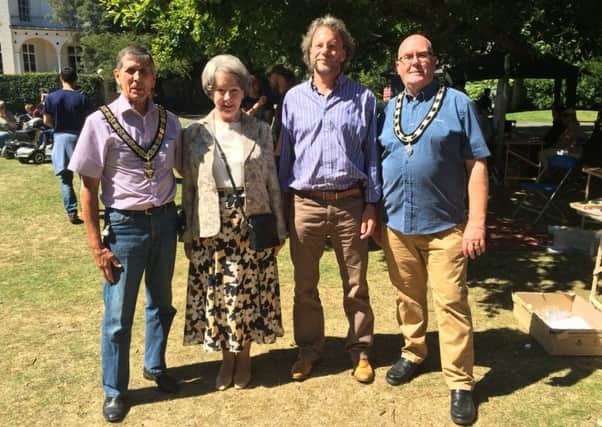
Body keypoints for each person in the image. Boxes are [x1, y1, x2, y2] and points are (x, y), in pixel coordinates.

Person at [378, 34, 490, 425]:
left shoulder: (458, 103)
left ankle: (460, 382)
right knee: (407, 298)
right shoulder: (388, 109)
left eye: (422, 55)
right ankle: (413, 352)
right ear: (397, 66)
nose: (415, 62)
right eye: (407, 57)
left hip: (446, 228)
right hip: (397, 227)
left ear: (434, 61)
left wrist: (476, 222)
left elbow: (477, 164)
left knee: (451, 303)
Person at [68, 45, 182, 423]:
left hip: (165, 223)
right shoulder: (99, 123)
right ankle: (116, 390)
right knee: (118, 316)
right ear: (117, 75)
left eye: (145, 71)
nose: (138, 78)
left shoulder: (170, 121)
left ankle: (155, 364)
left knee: (162, 304)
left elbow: (191, 165)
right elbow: (87, 188)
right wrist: (96, 246)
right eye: (130, 70)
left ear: (154, 78)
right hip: (124, 228)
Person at [279, 15, 381, 384]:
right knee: (305, 285)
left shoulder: (364, 98)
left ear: (344, 53)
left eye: (333, 45)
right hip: (304, 203)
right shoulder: (292, 100)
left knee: (356, 284)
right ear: (309, 52)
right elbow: (285, 158)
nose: (326, 50)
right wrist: (282, 207)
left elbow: (372, 155)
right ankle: (308, 350)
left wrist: (372, 203)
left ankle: (361, 350)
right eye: (319, 44)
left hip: (350, 204)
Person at [181, 54, 286, 391]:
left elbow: (272, 180)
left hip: (252, 222)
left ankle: (245, 360)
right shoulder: (195, 133)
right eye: (220, 90)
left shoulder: (259, 129)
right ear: (211, 92)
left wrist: (279, 228)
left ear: (244, 92)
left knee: (248, 293)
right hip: (212, 226)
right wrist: (187, 231)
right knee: (220, 296)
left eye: (234, 90)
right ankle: (226, 360)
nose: (227, 97)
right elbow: (190, 187)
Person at [43, 66, 90, 224]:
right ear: (75, 79)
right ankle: (88, 209)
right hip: (80, 138)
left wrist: (57, 127)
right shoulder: (82, 98)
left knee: (65, 179)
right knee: (86, 178)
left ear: (61, 79)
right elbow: (88, 122)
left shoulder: (51, 97)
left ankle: (72, 212)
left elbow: (46, 121)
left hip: (61, 138)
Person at [267, 64, 296, 158]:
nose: (270, 81)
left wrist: (278, 150)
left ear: (278, 77)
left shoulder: (289, 97)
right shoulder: (282, 97)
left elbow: (286, 125)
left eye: (271, 77)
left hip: (284, 149)